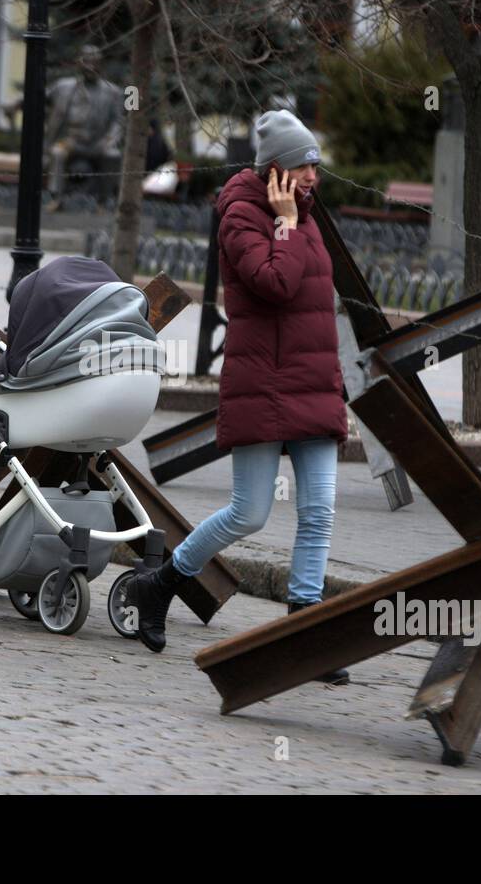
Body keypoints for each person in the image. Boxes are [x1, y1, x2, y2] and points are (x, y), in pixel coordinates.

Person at [125, 110, 351, 683]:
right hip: (265, 382)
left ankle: (305, 629)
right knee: (249, 512)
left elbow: (315, 295)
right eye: (305, 167)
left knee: (319, 509)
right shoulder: (244, 214)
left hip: (311, 380)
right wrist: (284, 223)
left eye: (317, 168)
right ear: (276, 168)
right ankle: (161, 584)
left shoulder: (302, 213)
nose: (314, 179)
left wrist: (293, 219)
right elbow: (275, 284)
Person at [44, 44, 125, 207]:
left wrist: (109, 139)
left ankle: (104, 201)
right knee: (58, 153)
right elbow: (37, 98)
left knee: (113, 156)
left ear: (101, 65)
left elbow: (119, 121)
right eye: (86, 62)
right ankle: (56, 199)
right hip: (71, 141)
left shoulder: (113, 92)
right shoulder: (63, 87)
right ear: (78, 64)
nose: (90, 66)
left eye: (94, 62)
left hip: (99, 143)